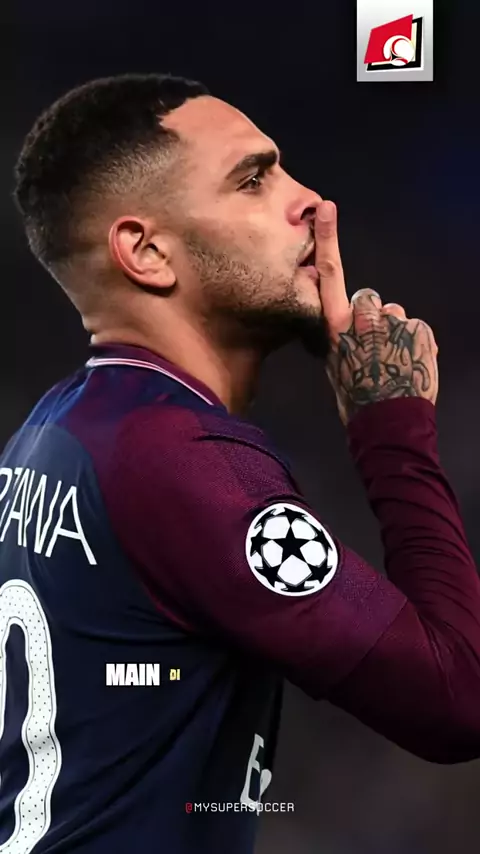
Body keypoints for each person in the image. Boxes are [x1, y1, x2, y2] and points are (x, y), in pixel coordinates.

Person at [1, 72, 480, 854]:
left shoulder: (53, 430)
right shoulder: (180, 459)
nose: (312, 202)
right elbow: (458, 698)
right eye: (253, 181)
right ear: (147, 252)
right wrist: (392, 428)